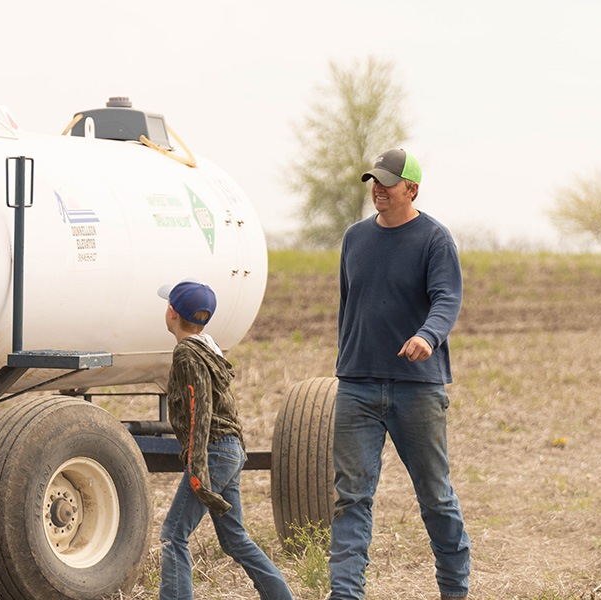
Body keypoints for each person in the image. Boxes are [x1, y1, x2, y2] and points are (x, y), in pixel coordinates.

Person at [328, 149, 471, 600]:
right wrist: (348, 360)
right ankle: (345, 595)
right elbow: (348, 305)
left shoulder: (434, 239)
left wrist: (427, 336)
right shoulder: (354, 238)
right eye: (374, 180)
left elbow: (447, 298)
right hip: (357, 385)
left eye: (389, 182)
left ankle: (454, 590)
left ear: (412, 189)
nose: (378, 188)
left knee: (436, 497)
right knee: (351, 499)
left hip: (417, 388)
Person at [157, 279, 293, 600]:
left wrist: (198, 470)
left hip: (213, 451)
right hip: (229, 450)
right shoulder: (209, 347)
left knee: (174, 536)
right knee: (234, 539)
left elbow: (200, 409)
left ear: (172, 313)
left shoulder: (187, 355)